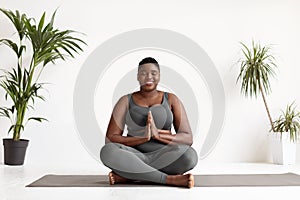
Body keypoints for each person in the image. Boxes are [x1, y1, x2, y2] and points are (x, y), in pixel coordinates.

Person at [100, 57, 198, 188]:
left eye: (153, 73)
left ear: (159, 76)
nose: (148, 76)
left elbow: (187, 137)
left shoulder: (171, 99)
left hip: (164, 155)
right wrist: (141, 138)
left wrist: (157, 135)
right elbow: (111, 138)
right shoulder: (125, 100)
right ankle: (169, 180)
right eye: (143, 73)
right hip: (134, 155)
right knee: (108, 151)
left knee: (189, 156)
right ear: (138, 76)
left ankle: (131, 176)